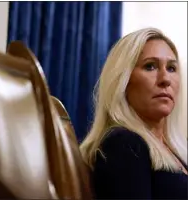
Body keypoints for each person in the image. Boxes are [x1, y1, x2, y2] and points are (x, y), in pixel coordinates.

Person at [80, 28, 187, 199]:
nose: (165, 79)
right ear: (123, 81)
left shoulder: (179, 150)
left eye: (172, 68)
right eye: (150, 66)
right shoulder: (124, 144)